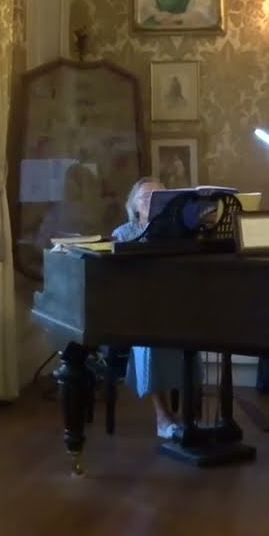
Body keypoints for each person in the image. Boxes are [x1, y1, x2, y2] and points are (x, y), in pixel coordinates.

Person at [111, 177, 185, 438]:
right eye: (145, 198)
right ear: (134, 205)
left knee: (195, 336)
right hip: (136, 310)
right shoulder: (123, 234)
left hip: (171, 308)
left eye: (160, 198)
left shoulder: (180, 235)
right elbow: (117, 283)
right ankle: (162, 416)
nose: (152, 203)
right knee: (150, 343)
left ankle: (188, 417)